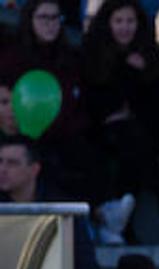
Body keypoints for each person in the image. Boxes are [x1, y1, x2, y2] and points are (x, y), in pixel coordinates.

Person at [81, 0, 159, 243]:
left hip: (141, 132)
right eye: (119, 21)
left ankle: (121, 223)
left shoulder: (150, 56)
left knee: (134, 139)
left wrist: (141, 73)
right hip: (99, 132)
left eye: (130, 21)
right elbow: (92, 99)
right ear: (108, 24)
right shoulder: (92, 55)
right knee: (129, 140)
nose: (125, 28)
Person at [1, 0, 96, 208]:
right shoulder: (11, 59)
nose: (50, 24)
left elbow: (75, 101)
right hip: (16, 133)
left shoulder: (69, 58)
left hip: (62, 132)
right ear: (30, 20)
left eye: (55, 18)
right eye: (43, 18)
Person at [0, 136, 100, 269]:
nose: (2, 169)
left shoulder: (62, 209)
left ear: (34, 170)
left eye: (12, 163)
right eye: (0, 161)